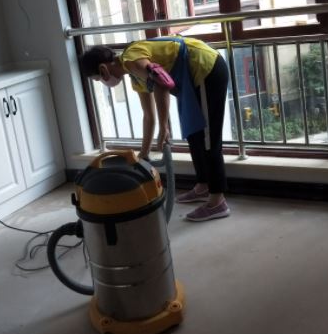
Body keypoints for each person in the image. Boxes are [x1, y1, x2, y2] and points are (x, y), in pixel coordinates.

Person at [80, 36, 230, 222]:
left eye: (97, 79)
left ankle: (217, 202)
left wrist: (164, 126)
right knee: (194, 132)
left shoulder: (132, 59)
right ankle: (203, 186)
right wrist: (143, 155)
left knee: (208, 139)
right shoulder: (135, 77)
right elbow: (148, 117)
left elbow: (161, 81)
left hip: (206, 67)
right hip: (190, 77)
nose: (102, 83)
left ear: (103, 69)